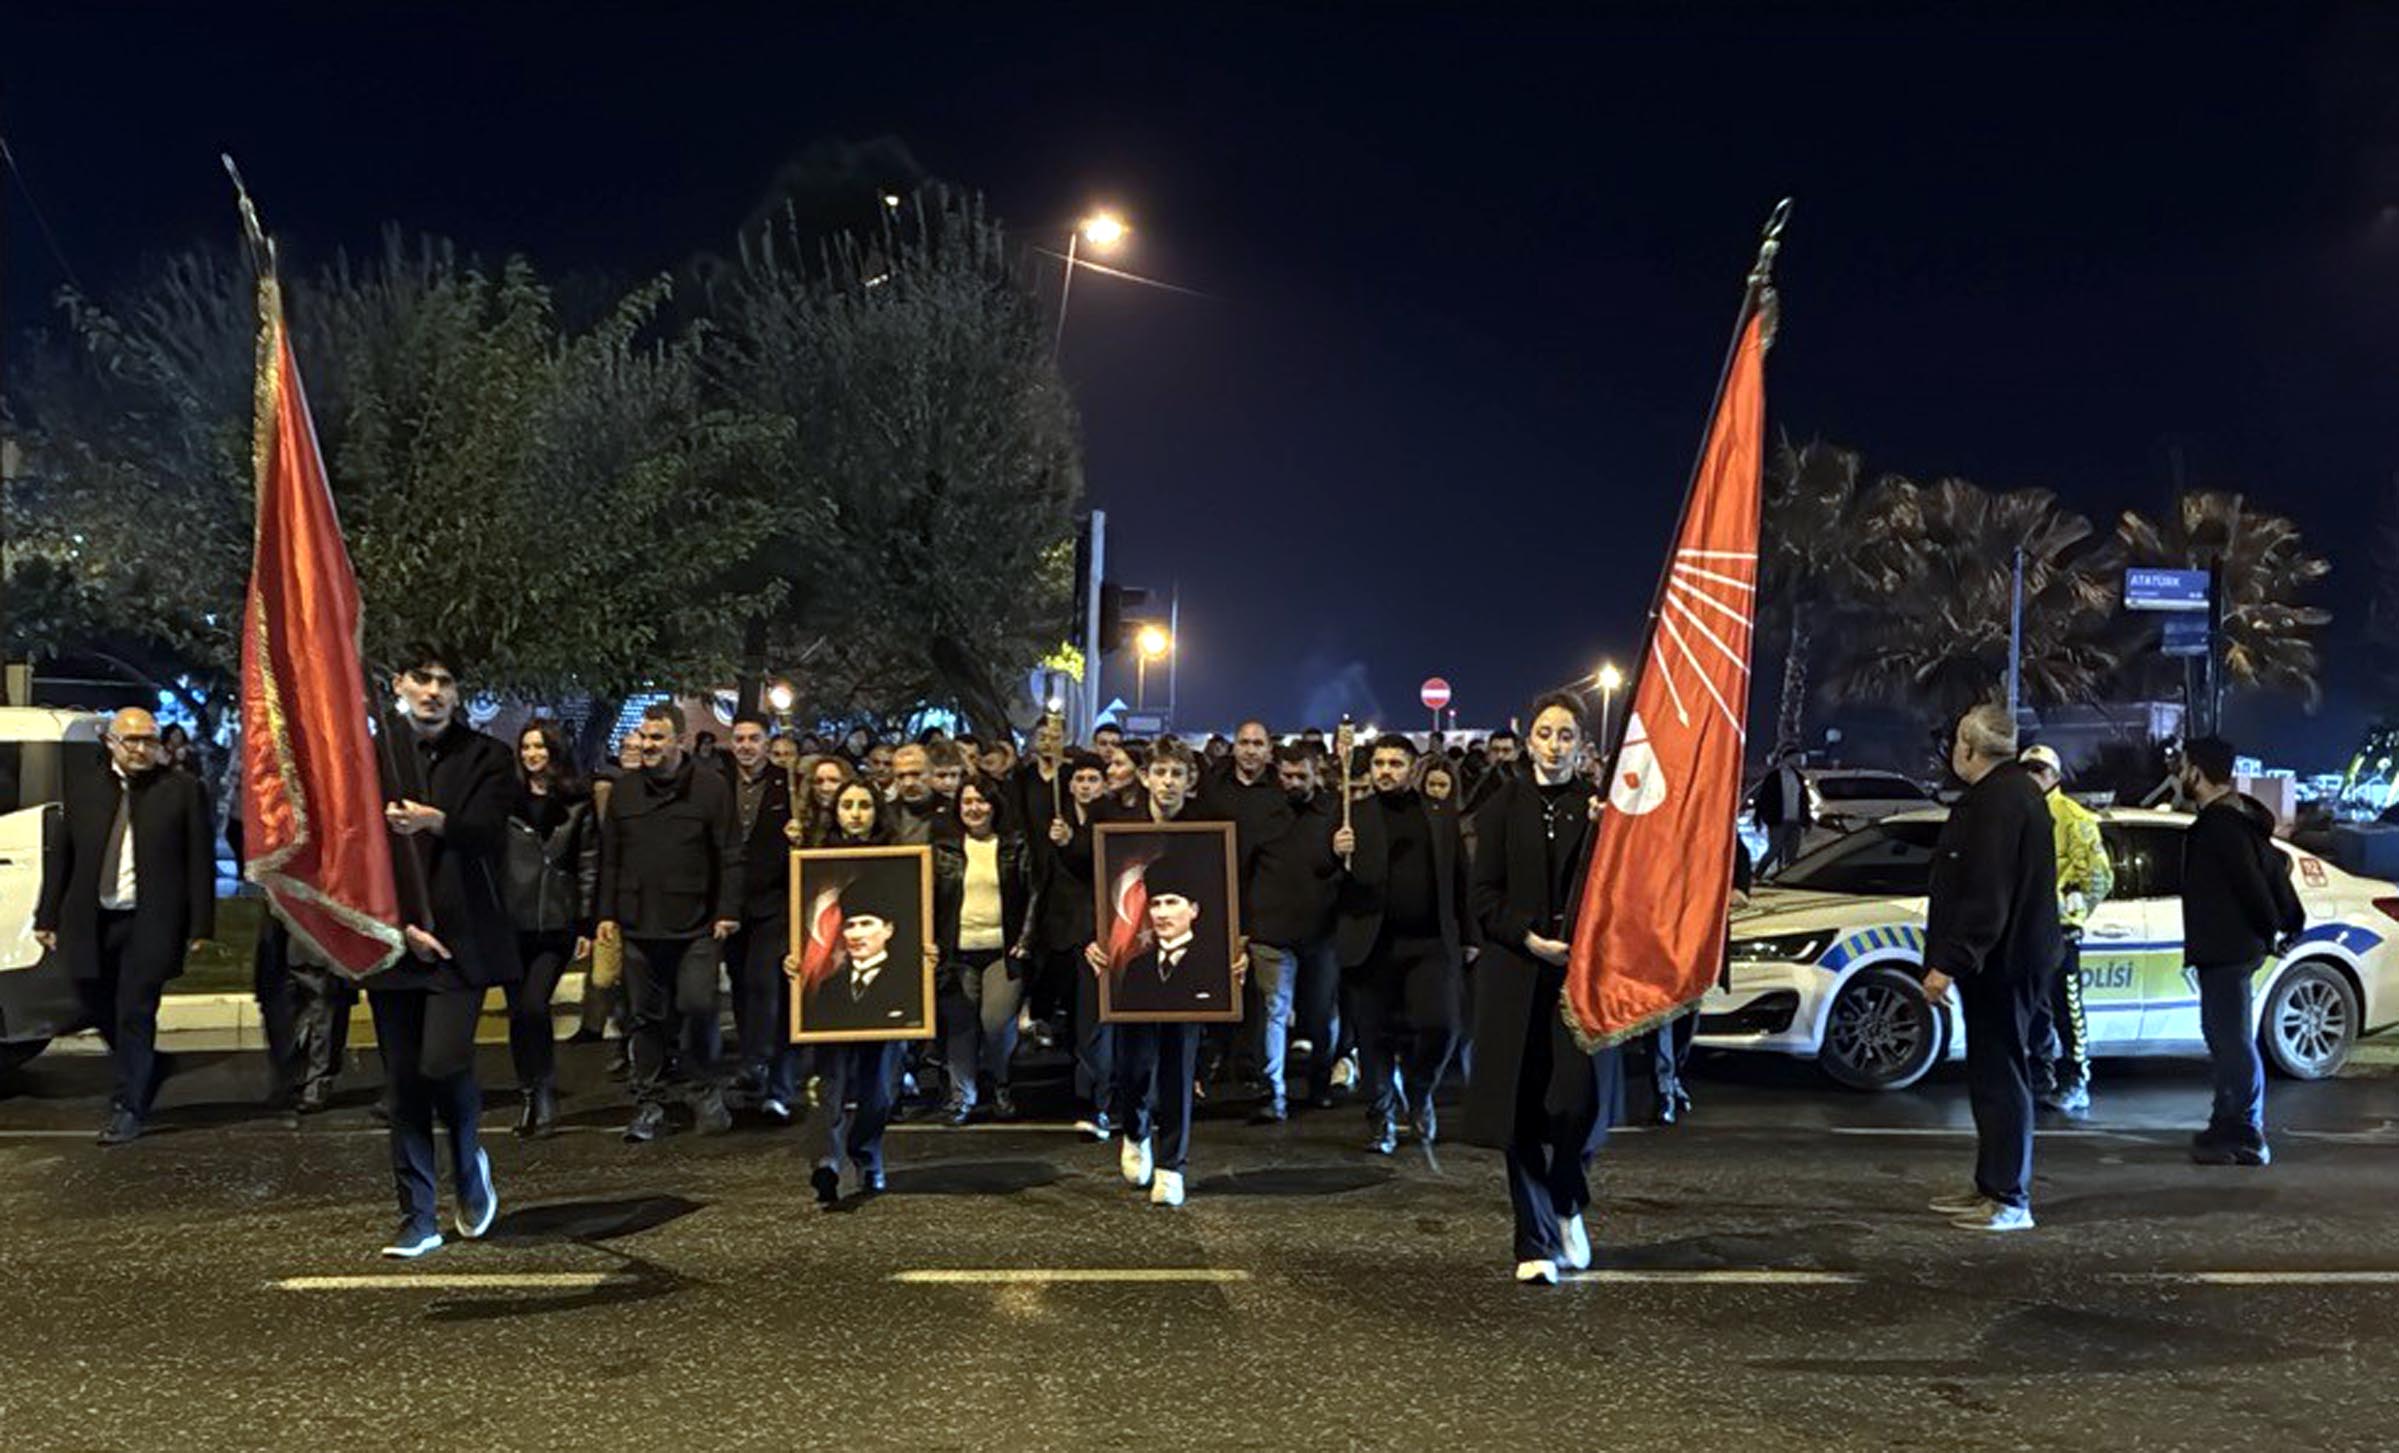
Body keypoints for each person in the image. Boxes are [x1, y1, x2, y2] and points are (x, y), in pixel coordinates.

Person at [366, 645, 518, 1258]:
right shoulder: (370, 758)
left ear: (457, 693)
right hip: (391, 939)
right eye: (421, 679)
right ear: (399, 684)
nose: (433, 691)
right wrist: (396, 924)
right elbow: (355, 851)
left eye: (445, 682)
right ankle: (418, 1215)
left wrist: (436, 821)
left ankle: (468, 1161)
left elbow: (486, 833)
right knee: (403, 1085)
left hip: (461, 942)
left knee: (441, 1064)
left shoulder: (488, 757)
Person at [1461, 692, 1614, 1285]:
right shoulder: (1500, 809)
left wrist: (1609, 835)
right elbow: (1483, 896)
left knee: (1576, 1103)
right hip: (1515, 974)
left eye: (1566, 735)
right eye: (1545, 733)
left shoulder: (1598, 810)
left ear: (1581, 744)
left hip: (1580, 979)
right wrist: (1526, 938)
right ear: (1529, 740)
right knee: (1519, 1111)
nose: (1554, 745)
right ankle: (1534, 1239)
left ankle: (1567, 1199)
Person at [35, 706, 215, 1145]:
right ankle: (148, 1064)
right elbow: (62, 855)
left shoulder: (181, 790)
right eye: (132, 740)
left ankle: (129, 1106)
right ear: (110, 742)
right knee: (92, 1002)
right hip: (92, 918)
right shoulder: (83, 788)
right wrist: (47, 915)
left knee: (135, 1009)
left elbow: (199, 862)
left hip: (150, 920)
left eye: (149, 740)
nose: (140, 749)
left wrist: (201, 924)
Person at [1920, 704, 2060, 1234]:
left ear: (1969, 745)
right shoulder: (2005, 793)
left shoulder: (2000, 800)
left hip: (2004, 963)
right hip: (2001, 961)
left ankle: (2009, 1197)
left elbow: (1987, 894)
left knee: (2003, 1078)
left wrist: (1949, 963)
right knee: (1991, 1077)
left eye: (1957, 741)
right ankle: (1990, 1185)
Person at [1087, 739, 1239, 1208]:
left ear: (1189, 780)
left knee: (1178, 1067)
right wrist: (1092, 941)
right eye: (1160, 772)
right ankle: (1134, 1131)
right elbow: (1092, 891)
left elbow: (1228, 894)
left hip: (1194, 972)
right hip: (1135, 971)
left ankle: (1173, 1164)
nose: (1168, 782)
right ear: (1145, 777)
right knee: (1133, 1066)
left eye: (1177, 773)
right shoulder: (1119, 831)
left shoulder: (1209, 832)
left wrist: (1238, 946)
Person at [595, 701, 743, 1143]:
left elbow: (730, 854)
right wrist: (603, 914)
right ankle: (650, 1102)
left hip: (697, 923)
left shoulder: (712, 788)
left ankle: (703, 1089)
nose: (646, 745)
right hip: (638, 924)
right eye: (643, 737)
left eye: (656, 737)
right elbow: (610, 858)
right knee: (644, 1018)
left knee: (698, 1006)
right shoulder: (624, 791)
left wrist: (728, 910)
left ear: (680, 740)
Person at [1331, 733, 1476, 1155]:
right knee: (1373, 1036)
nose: (1386, 772)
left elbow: (1460, 878)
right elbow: (1326, 878)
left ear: (1413, 768)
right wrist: (1333, 852)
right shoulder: (1350, 816)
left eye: (1395, 763)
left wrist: (1470, 936)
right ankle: (1381, 1119)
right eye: (1379, 764)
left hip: (1431, 943)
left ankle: (1419, 1088)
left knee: (1442, 1026)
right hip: (1371, 944)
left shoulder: (1438, 814)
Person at [2178, 736, 2304, 1168]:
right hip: (2230, 948)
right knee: (2225, 1036)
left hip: (2227, 948)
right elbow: (2268, 873)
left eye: (2182, 767)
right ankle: (2226, 1124)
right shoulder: (2237, 820)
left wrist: (2272, 928)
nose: (2179, 775)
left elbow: (2251, 884)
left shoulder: (2220, 826)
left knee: (2230, 1040)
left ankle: (2245, 1132)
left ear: (2196, 771)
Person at [790, 785, 918, 1205]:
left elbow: (920, 912)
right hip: (830, 1009)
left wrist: (927, 952)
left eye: (864, 805)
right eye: (847, 805)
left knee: (878, 1089)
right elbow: (792, 914)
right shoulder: (812, 856)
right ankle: (825, 1163)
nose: (856, 813)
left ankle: (867, 1155)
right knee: (826, 1083)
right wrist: (791, 958)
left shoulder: (898, 860)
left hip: (890, 1007)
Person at [500, 720, 598, 1138]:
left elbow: (589, 862)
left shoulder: (577, 803)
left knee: (534, 1006)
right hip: (510, 920)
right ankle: (529, 1090)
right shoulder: (506, 800)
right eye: (526, 747)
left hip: (555, 922)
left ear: (554, 752)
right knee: (518, 1013)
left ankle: (541, 1089)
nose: (532, 754)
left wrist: (586, 922)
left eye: (540, 747)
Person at [1239, 745, 1341, 1120]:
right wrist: (1245, 927)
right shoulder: (1263, 813)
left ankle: (1319, 1082)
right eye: (1287, 775)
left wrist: (1344, 853)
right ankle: (1274, 1093)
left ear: (1316, 773)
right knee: (1274, 1011)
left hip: (1322, 929)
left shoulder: (1336, 812)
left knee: (1321, 1015)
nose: (1293, 782)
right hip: (1270, 929)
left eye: (1301, 776)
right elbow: (1245, 870)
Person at [932, 778, 1037, 1122]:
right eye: (967, 802)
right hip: (957, 951)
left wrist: (1026, 937)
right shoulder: (944, 847)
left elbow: (1032, 892)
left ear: (994, 805)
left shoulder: (1014, 844)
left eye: (981, 801)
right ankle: (962, 1097)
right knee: (960, 1025)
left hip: (1003, 950)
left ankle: (1000, 1081)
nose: (974, 808)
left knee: (994, 1023)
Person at [2020, 744, 2113, 1115]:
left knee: (2067, 1006)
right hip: (2028, 928)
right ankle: (2040, 1078)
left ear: (2054, 777)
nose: (2032, 776)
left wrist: (2071, 913)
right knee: (2035, 1009)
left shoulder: (2073, 817)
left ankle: (2076, 1080)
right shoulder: (2021, 814)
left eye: (2039, 770)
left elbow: (2099, 876)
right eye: (2027, 769)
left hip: (2059, 931)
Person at [725, 716, 804, 1124]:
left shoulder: (787, 784)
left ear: (767, 742)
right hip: (734, 907)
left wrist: (799, 832)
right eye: (739, 739)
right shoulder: (721, 783)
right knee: (742, 989)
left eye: (754, 738)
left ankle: (770, 1070)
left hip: (776, 903)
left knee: (766, 985)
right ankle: (754, 1067)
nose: (746, 746)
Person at [1038, 751, 1116, 1137]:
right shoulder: (1057, 817)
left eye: (1093, 779)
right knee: (1070, 1022)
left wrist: (1072, 842)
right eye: (1080, 779)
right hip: (1060, 933)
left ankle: (1093, 1102)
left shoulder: (1111, 818)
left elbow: (1098, 860)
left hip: (1096, 935)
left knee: (1093, 1023)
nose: (1086, 785)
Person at [1750, 745, 1812, 877]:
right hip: (1779, 820)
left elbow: (1803, 800)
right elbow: (1764, 799)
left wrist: (1806, 819)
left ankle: (1787, 877)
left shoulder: (1798, 777)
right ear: (1787, 758)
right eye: (1796, 758)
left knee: (1792, 853)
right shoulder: (1774, 777)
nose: (1798, 761)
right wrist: (1760, 818)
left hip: (1795, 820)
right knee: (1774, 850)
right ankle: (1757, 875)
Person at [887, 744, 949, 844]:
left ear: (932, 773)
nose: (908, 783)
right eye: (901, 776)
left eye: (916, 774)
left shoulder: (952, 810)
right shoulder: (885, 815)